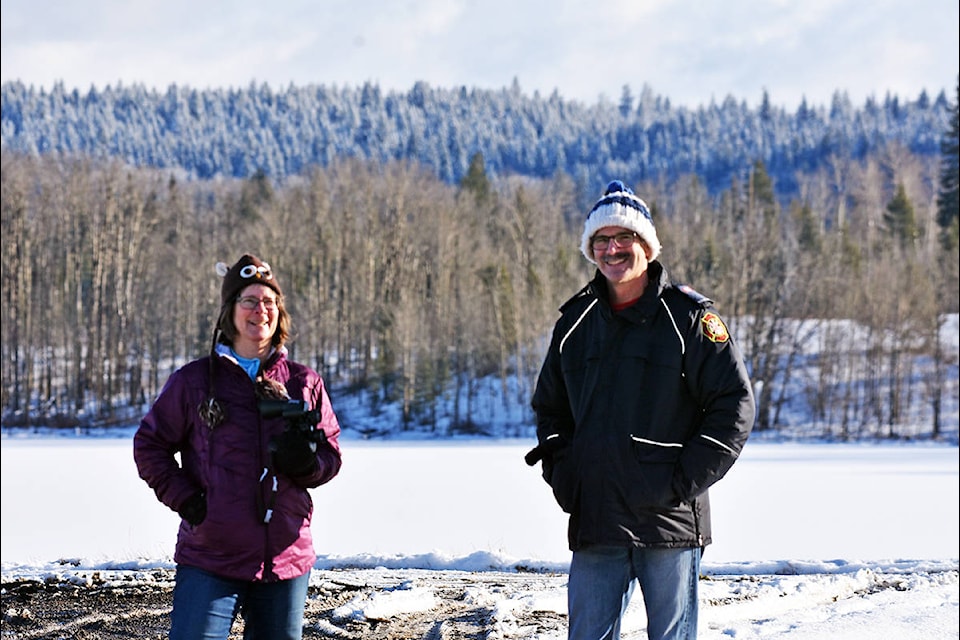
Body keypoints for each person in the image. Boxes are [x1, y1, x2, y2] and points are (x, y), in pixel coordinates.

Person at [527, 181, 756, 640]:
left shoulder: (688, 318)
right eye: (601, 241)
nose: (613, 249)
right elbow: (550, 409)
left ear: (647, 246)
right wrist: (566, 474)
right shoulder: (575, 322)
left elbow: (735, 404)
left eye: (624, 238)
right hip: (597, 519)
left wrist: (681, 482)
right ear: (591, 250)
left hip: (668, 520)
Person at [134, 253, 343, 640]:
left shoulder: (304, 382)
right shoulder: (195, 381)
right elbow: (150, 446)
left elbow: (330, 454)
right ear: (229, 312)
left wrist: (307, 464)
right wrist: (189, 501)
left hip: (285, 556)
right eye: (248, 300)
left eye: (269, 301)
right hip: (211, 555)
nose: (259, 310)